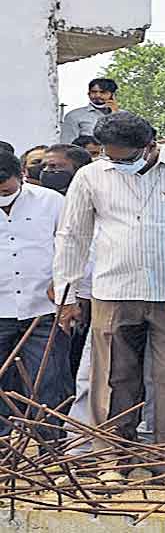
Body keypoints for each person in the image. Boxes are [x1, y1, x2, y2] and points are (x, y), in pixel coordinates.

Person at [53, 112, 165, 483]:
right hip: (113, 291)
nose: (118, 163)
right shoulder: (91, 175)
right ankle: (112, 460)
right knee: (112, 377)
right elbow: (72, 236)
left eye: (126, 157)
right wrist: (67, 294)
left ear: (150, 144)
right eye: (111, 156)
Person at [0, 150, 71, 443]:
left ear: (23, 176)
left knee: (48, 381)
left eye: (5, 189)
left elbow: (73, 247)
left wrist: (69, 290)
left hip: (43, 308)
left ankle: (49, 446)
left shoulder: (50, 202)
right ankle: (4, 447)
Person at [38, 144, 93, 377]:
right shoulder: (42, 202)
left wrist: (74, 291)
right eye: (45, 166)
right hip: (49, 298)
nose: (48, 171)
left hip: (85, 293)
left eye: (56, 166)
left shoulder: (93, 199)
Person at [60, 78, 129, 144]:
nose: (97, 95)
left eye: (103, 92)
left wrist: (115, 114)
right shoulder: (74, 116)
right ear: (88, 93)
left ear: (113, 95)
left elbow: (128, 140)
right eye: (93, 92)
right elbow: (67, 144)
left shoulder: (125, 116)